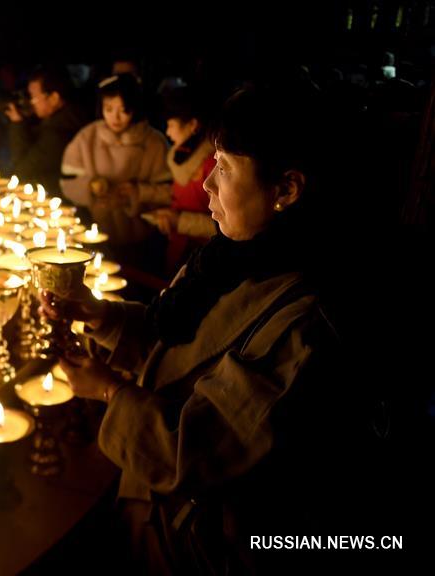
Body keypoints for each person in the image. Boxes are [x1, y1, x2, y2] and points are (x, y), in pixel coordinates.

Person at [40, 81, 365, 573]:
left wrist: (109, 391)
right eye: (213, 162)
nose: (208, 184)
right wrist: (100, 315)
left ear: (287, 189)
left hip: (197, 544)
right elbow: (176, 344)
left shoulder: (304, 321)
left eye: (227, 168)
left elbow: (195, 453)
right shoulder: (231, 255)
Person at [60, 74, 171, 254]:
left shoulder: (154, 142)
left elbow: (171, 191)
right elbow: (67, 181)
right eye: (108, 109)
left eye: (123, 110)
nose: (115, 117)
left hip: (141, 238)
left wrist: (137, 192)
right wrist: (90, 186)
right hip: (92, 232)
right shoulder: (87, 137)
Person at [143, 85, 217, 277]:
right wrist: (137, 193)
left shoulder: (212, 164)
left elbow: (222, 225)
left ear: (192, 125)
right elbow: (177, 194)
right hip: (179, 247)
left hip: (204, 257)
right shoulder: (183, 157)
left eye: (171, 125)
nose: (167, 133)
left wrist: (179, 221)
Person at [6, 66, 84, 192]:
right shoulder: (66, 120)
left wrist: (18, 124)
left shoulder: (59, 133)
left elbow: (22, 171)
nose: (31, 102)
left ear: (54, 98)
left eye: (34, 97)